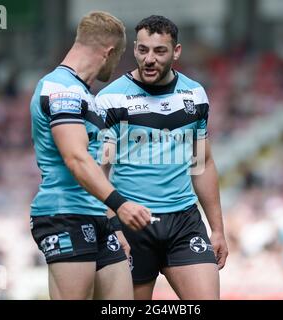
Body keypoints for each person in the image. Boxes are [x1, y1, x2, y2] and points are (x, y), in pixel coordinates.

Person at [96, 15, 228, 300]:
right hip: (132, 224)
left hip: (183, 222)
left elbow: (201, 163)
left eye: (159, 51)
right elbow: (98, 171)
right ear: (134, 49)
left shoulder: (194, 95)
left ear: (176, 52)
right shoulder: (110, 100)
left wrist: (217, 229)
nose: (149, 59)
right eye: (143, 50)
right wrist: (112, 226)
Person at [29, 11, 151, 300]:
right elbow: (76, 159)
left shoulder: (85, 95)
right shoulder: (61, 89)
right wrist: (121, 205)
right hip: (64, 214)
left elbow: (95, 166)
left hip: (96, 216)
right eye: (119, 56)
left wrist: (113, 222)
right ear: (109, 52)